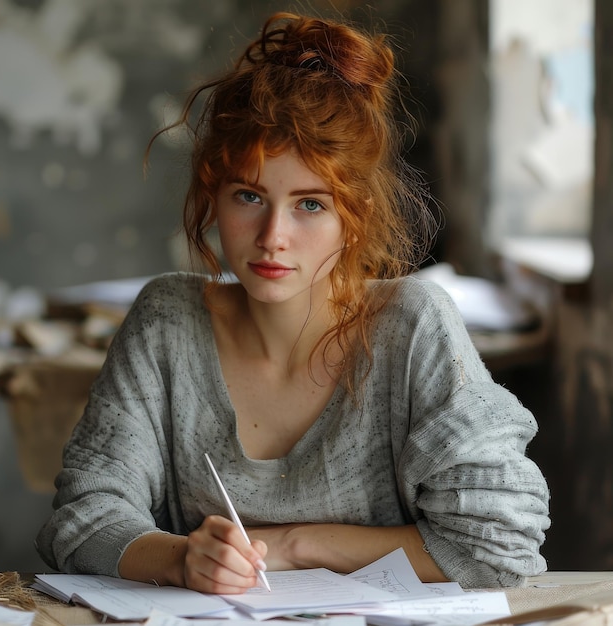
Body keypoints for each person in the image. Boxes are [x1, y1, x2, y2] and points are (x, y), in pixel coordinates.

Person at [36, 11, 550, 594]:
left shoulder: (412, 325)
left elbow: (500, 544)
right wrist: (181, 559)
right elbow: (82, 519)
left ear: (353, 219)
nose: (272, 235)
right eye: (249, 195)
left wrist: (291, 545)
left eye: (310, 204)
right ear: (214, 196)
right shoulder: (166, 322)